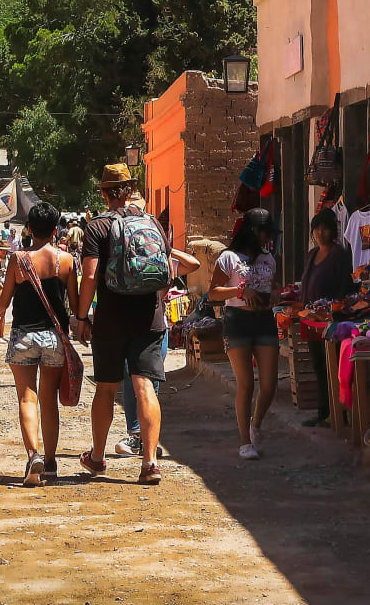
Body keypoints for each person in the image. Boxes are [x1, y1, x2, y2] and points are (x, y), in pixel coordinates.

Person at [74, 164, 198, 484]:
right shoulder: (153, 222)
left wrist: (81, 316)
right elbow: (164, 270)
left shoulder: (97, 227)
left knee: (106, 388)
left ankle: (98, 458)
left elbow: (89, 276)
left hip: (111, 319)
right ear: (129, 191)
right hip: (149, 317)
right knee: (145, 387)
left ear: (103, 192)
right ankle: (150, 463)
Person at [0, 201, 76, 486]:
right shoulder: (65, 261)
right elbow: (73, 304)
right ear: (55, 230)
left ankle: (33, 455)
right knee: (49, 400)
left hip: (24, 335)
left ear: (28, 229)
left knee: (27, 397)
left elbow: (4, 300)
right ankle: (50, 463)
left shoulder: (18, 260)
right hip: (54, 336)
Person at [209, 208, 280, 459]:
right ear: (252, 231)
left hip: (264, 320)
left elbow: (273, 286)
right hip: (237, 321)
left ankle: (256, 424)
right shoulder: (228, 258)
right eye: (264, 233)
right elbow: (213, 293)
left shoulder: (269, 258)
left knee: (270, 384)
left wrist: (275, 294)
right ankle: (244, 441)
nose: (267, 238)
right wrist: (239, 292)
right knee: (246, 383)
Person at [297, 208, 354, 427]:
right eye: (316, 229)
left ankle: (340, 413)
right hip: (311, 320)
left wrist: (332, 310)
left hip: (331, 322)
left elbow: (344, 287)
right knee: (319, 365)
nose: (320, 233)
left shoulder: (338, 254)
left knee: (334, 366)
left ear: (333, 231)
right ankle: (324, 410)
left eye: (325, 228)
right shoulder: (312, 254)